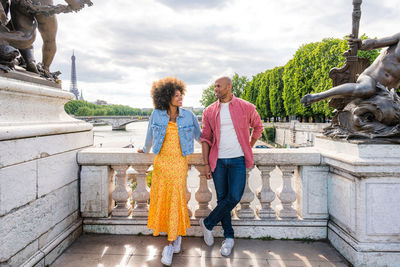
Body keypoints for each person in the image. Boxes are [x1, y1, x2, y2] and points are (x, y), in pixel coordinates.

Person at [138, 77, 201, 266]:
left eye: (181, 94)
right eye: (176, 95)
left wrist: (215, 145)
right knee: (165, 199)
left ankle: (170, 243)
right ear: (166, 97)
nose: (180, 98)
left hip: (179, 163)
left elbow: (201, 136)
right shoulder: (156, 115)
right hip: (161, 163)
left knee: (176, 199)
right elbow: (149, 137)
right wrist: (144, 149)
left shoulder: (189, 115)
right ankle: (176, 235)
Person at [199, 76, 263, 256]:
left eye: (219, 86)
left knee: (234, 196)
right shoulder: (209, 111)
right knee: (222, 200)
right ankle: (229, 237)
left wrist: (248, 146)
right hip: (217, 161)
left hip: (237, 161)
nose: (215, 89)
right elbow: (205, 138)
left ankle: (207, 224)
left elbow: (258, 127)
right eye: (214, 86)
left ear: (229, 86)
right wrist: (205, 163)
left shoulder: (246, 107)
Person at [301, 33, 400, 106]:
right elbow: (375, 43)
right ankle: (317, 96)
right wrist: (360, 45)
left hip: (387, 92)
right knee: (367, 89)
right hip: (371, 79)